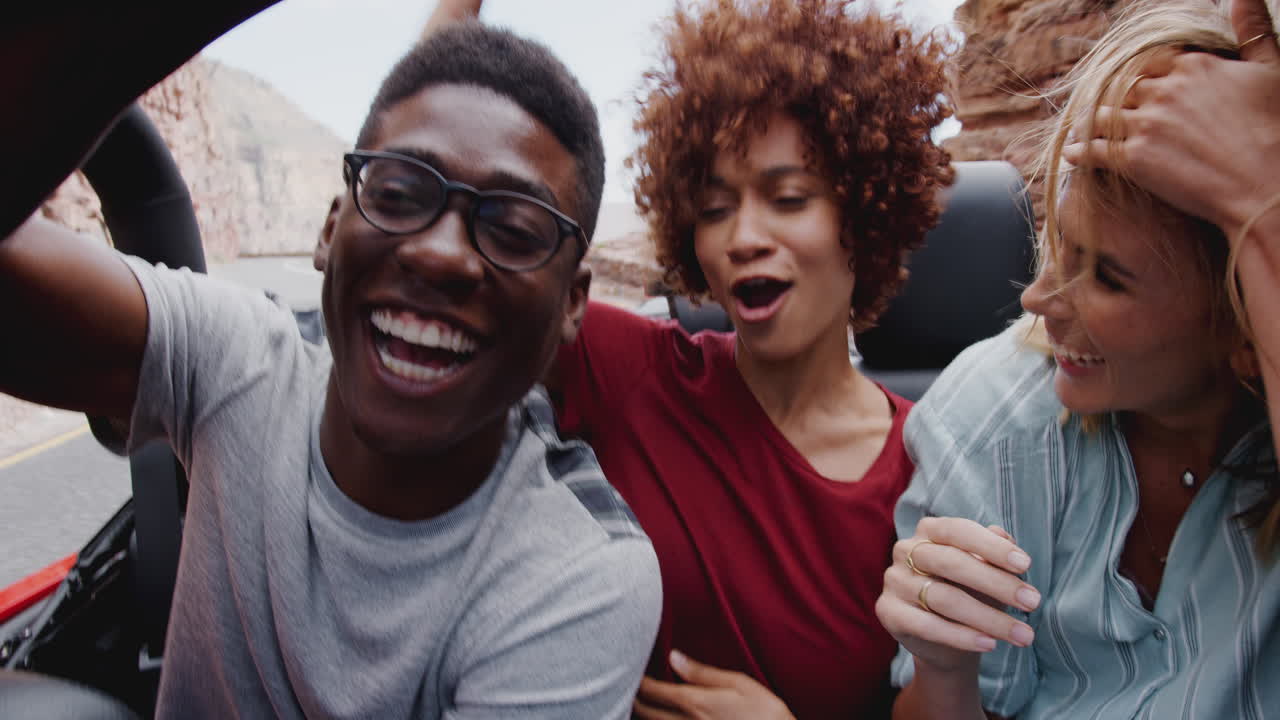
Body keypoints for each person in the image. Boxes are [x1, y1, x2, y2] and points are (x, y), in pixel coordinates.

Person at [0, 8, 662, 720]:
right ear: (329, 231)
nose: (439, 253)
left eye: (515, 229)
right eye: (398, 195)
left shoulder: (579, 575)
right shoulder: (242, 361)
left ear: (573, 302)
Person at [542, 1, 954, 717]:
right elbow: (429, 278)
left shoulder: (934, 471)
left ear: (865, 214)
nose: (743, 237)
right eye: (712, 208)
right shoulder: (625, 370)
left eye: (788, 198)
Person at [875, 1, 1280, 718]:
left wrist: (1262, 199)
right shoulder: (989, 422)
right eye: (1060, 246)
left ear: (1244, 324)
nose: (1037, 299)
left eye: (1108, 276)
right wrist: (944, 669)